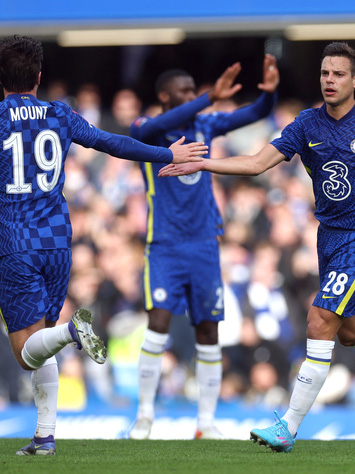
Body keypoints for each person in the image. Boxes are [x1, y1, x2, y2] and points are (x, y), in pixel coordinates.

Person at [159, 41, 355, 453]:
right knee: (352, 332)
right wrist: (204, 163)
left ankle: (288, 428)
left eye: (338, 74)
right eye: (324, 73)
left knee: (319, 320)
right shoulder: (306, 125)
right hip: (327, 236)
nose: (329, 80)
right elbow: (259, 162)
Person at [0, 35, 207, 456]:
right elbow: (112, 143)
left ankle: (72, 330)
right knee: (41, 342)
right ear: (39, 77)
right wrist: (165, 153)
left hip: (14, 242)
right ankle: (45, 438)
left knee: (27, 354)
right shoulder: (60, 114)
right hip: (58, 241)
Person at [127, 56, 280, 440]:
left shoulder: (205, 124)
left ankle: (205, 423)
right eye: (184, 91)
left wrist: (270, 92)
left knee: (208, 332)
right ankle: (144, 416)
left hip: (204, 245)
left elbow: (256, 112)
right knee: (157, 325)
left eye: (194, 91)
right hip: (164, 244)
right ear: (163, 95)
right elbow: (158, 126)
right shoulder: (145, 127)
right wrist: (211, 96)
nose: (192, 97)